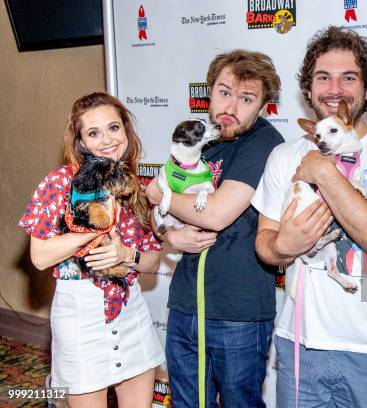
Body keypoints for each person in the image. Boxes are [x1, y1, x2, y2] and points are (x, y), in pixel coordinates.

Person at [252, 26, 367, 407]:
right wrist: (281, 246)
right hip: (300, 345)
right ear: (307, 89)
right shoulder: (283, 156)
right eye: (323, 77)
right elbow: (264, 243)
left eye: (349, 78)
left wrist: (322, 171)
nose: (334, 89)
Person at [146, 50, 283, 407]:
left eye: (246, 98)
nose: (231, 106)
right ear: (209, 92)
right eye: (223, 92)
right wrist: (167, 234)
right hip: (184, 305)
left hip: (238, 313)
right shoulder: (199, 142)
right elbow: (156, 218)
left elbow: (217, 214)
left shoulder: (264, 144)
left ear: (264, 104)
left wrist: (158, 193)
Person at [19, 92, 164, 407]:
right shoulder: (60, 183)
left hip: (130, 313)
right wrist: (92, 229)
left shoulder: (136, 186)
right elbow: (40, 256)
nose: (107, 140)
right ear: (81, 142)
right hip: (79, 317)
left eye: (114, 128)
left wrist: (127, 255)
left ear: (126, 130)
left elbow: (152, 262)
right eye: (94, 133)